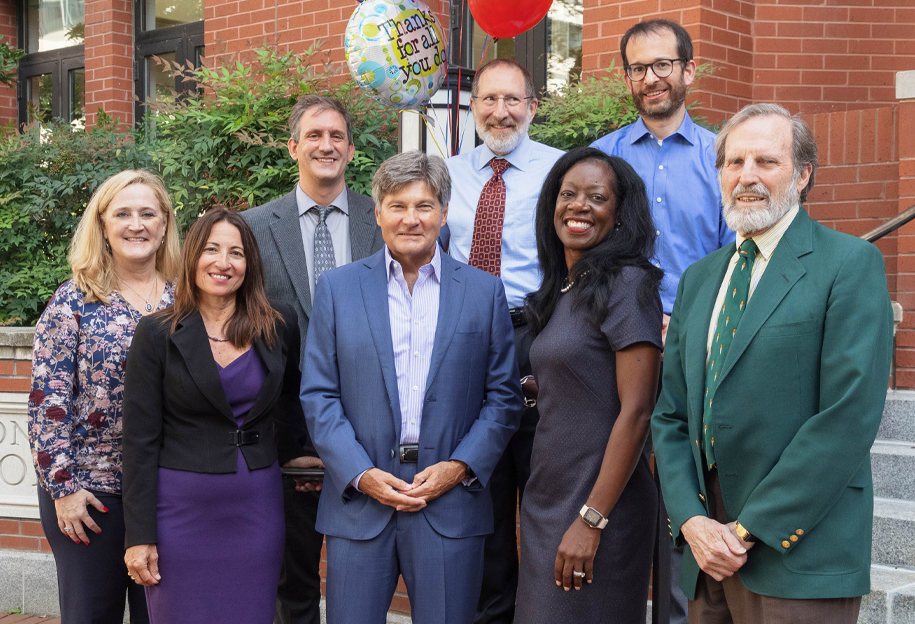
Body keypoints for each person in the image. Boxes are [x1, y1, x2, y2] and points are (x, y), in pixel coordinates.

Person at [651, 103, 894, 624]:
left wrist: (746, 530)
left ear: (803, 175)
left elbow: (847, 418)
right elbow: (670, 415)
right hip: (705, 554)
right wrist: (692, 520)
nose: (747, 177)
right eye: (734, 162)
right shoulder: (699, 279)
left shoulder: (848, 265)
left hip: (797, 551)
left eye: (767, 161)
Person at [301, 151, 523, 624]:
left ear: (443, 213)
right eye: (397, 206)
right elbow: (319, 395)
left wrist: (459, 467)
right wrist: (361, 473)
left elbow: (503, 398)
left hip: (450, 505)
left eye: (424, 206)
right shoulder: (337, 289)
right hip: (360, 505)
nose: (411, 219)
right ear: (376, 213)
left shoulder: (484, 293)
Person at [590, 21, 734, 621]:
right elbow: (587, 249)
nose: (650, 78)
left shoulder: (720, 156)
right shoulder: (604, 156)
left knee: (687, 491)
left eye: (662, 65)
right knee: (618, 489)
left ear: (688, 71)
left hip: (696, 349)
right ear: (627, 78)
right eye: (638, 68)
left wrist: (686, 320)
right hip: (615, 347)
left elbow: (734, 254)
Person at [122, 209, 307, 624]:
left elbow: (292, 400)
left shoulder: (279, 324)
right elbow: (138, 441)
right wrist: (140, 537)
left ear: (249, 264)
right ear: (192, 258)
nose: (223, 263)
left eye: (236, 252)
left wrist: (301, 452)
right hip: (180, 515)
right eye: (211, 249)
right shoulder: (156, 333)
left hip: (256, 509)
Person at [241, 94, 384, 624]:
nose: (327, 145)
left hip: (373, 423)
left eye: (337, 137)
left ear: (350, 150)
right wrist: (289, 440)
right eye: (315, 135)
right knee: (291, 580)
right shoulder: (254, 227)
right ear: (293, 147)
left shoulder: (385, 218)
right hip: (283, 432)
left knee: (362, 575)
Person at [514, 148, 663, 623]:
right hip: (548, 497)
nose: (579, 206)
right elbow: (586, 377)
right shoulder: (564, 287)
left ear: (620, 215)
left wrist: (591, 519)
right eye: (568, 194)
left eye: (597, 198)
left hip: (597, 505)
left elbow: (638, 410)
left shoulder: (627, 284)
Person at [28, 169, 180, 624]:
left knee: (163, 614)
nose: (137, 225)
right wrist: (64, 489)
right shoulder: (73, 301)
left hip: (165, 490)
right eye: (123, 214)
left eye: (148, 213)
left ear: (165, 224)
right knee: (92, 614)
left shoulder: (185, 300)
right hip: (91, 496)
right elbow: (46, 403)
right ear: (103, 225)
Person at [445, 58, 564, 624]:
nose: (501, 111)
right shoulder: (446, 174)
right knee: (481, 484)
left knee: (542, 484)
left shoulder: (561, 169)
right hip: (466, 338)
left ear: (532, 107)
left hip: (537, 329)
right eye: (488, 100)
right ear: (472, 108)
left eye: (513, 100)